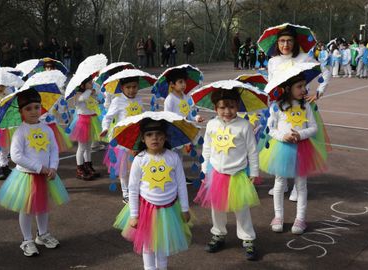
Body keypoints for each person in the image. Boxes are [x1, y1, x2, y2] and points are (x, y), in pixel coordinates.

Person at [0, 88, 69, 257]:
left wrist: (53, 167)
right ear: (20, 112)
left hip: (46, 176)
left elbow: (54, 150)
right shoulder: (20, 131)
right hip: (27, 177)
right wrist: (39, 167)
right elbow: (16, 156)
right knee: (27, 209)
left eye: (36, 107)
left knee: (42, 208)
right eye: (28, 108)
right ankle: (27, 240)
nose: (34, 111)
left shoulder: (47, 129)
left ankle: (42, 235)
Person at [113, 118, 191, 270]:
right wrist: (134, 215)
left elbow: (181, 184)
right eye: (149, 134)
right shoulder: (140, 159)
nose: (154, 138)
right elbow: (133, 188)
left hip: (168, 209)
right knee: (148, 245)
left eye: (158, 134)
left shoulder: (173, 157)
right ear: (143, 138)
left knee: (162, 243)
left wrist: (185, 208)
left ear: (165, 136)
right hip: (146, 210)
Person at [265, 26, 331, 200]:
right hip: (281, 107)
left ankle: (298, 186)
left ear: (295, 43)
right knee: (281, 143)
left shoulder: (304, 57)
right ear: (277, 43)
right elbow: (272, 83)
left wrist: (318, 92)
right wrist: (271, 102)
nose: (285, 44)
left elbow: (325, 71)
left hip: (302, 107)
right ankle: (282, 182)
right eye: (281, 41)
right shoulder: (273, 61)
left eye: (289, 41)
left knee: (302, 145)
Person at [194, 88, 259, 261]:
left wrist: (253, 172)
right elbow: (207, 148)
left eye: (231, 106)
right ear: (215, 108)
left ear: (237, 105)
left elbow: (252, 151)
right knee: (217, 207)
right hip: (216, 173)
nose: (227, 111)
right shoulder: (211, 125)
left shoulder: (244, 126)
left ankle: (248, 239)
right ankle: (218, 234)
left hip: (237, 174)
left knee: (242, 208)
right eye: (222, 107)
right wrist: (204, 169)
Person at [259, 72, 327, 235]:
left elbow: (314, 127)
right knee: (279, 183)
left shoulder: (306, 106)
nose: (304, 89)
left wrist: (300, 135)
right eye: (300, 86)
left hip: (302, 149)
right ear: (288, 88)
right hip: (282, 149)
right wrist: (283, 136)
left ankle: (300, 219)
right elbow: (270, 128)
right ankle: (278, 216)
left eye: (304, 86)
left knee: (301, 185)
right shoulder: (277, 106)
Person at [100, 76, 144, 203]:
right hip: (123, 140)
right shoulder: (118, 100)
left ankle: (135, 189)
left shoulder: (139, 99)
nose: (131, 90)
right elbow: (108, 117)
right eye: (128, 87)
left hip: (137, 138)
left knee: (136, 167)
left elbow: (143, 114)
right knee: (124, 168)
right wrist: (105, 128)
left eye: (134, 87)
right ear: (122, 88)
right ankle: (126, 192)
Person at [68, 77, 102, 181]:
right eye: (89, 83)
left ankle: (88, 166)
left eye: (91, 82)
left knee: (88, 147)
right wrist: (89, 91)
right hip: (83, 122)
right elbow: (83, 98)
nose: (92, 84)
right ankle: (80, 169)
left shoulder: (90, 93)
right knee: (82, 147)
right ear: (82, 84)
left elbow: (97, 102)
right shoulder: (78, 95)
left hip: (92, 121)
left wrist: (95, 95)